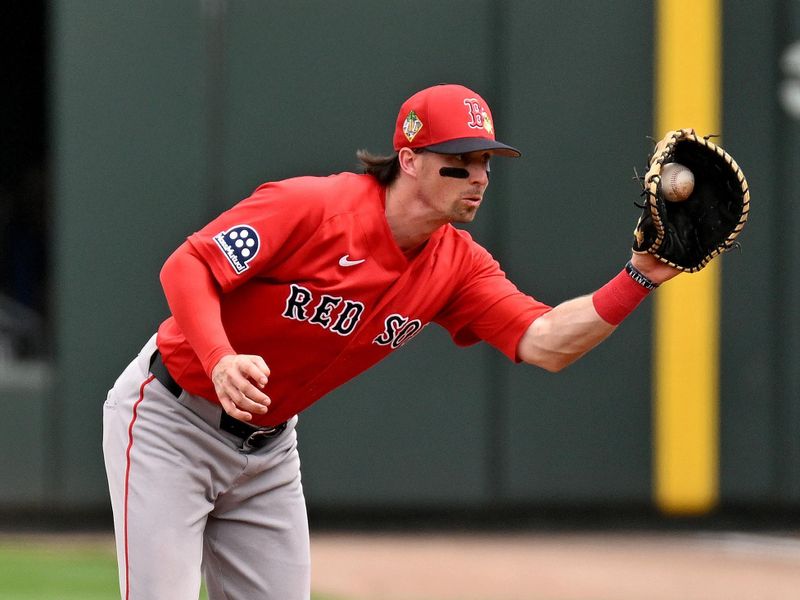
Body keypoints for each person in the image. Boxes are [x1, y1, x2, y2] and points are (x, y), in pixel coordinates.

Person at [102, 83, 679, 599]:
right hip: (171, 423)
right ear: (408, 159)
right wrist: (220, 356)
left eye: (485, 163)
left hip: (267, 452)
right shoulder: (313, 205)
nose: (477, 176)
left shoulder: (459, 265)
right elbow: (188, 266)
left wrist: (638, 277)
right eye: (459, 161)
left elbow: (547, 341)